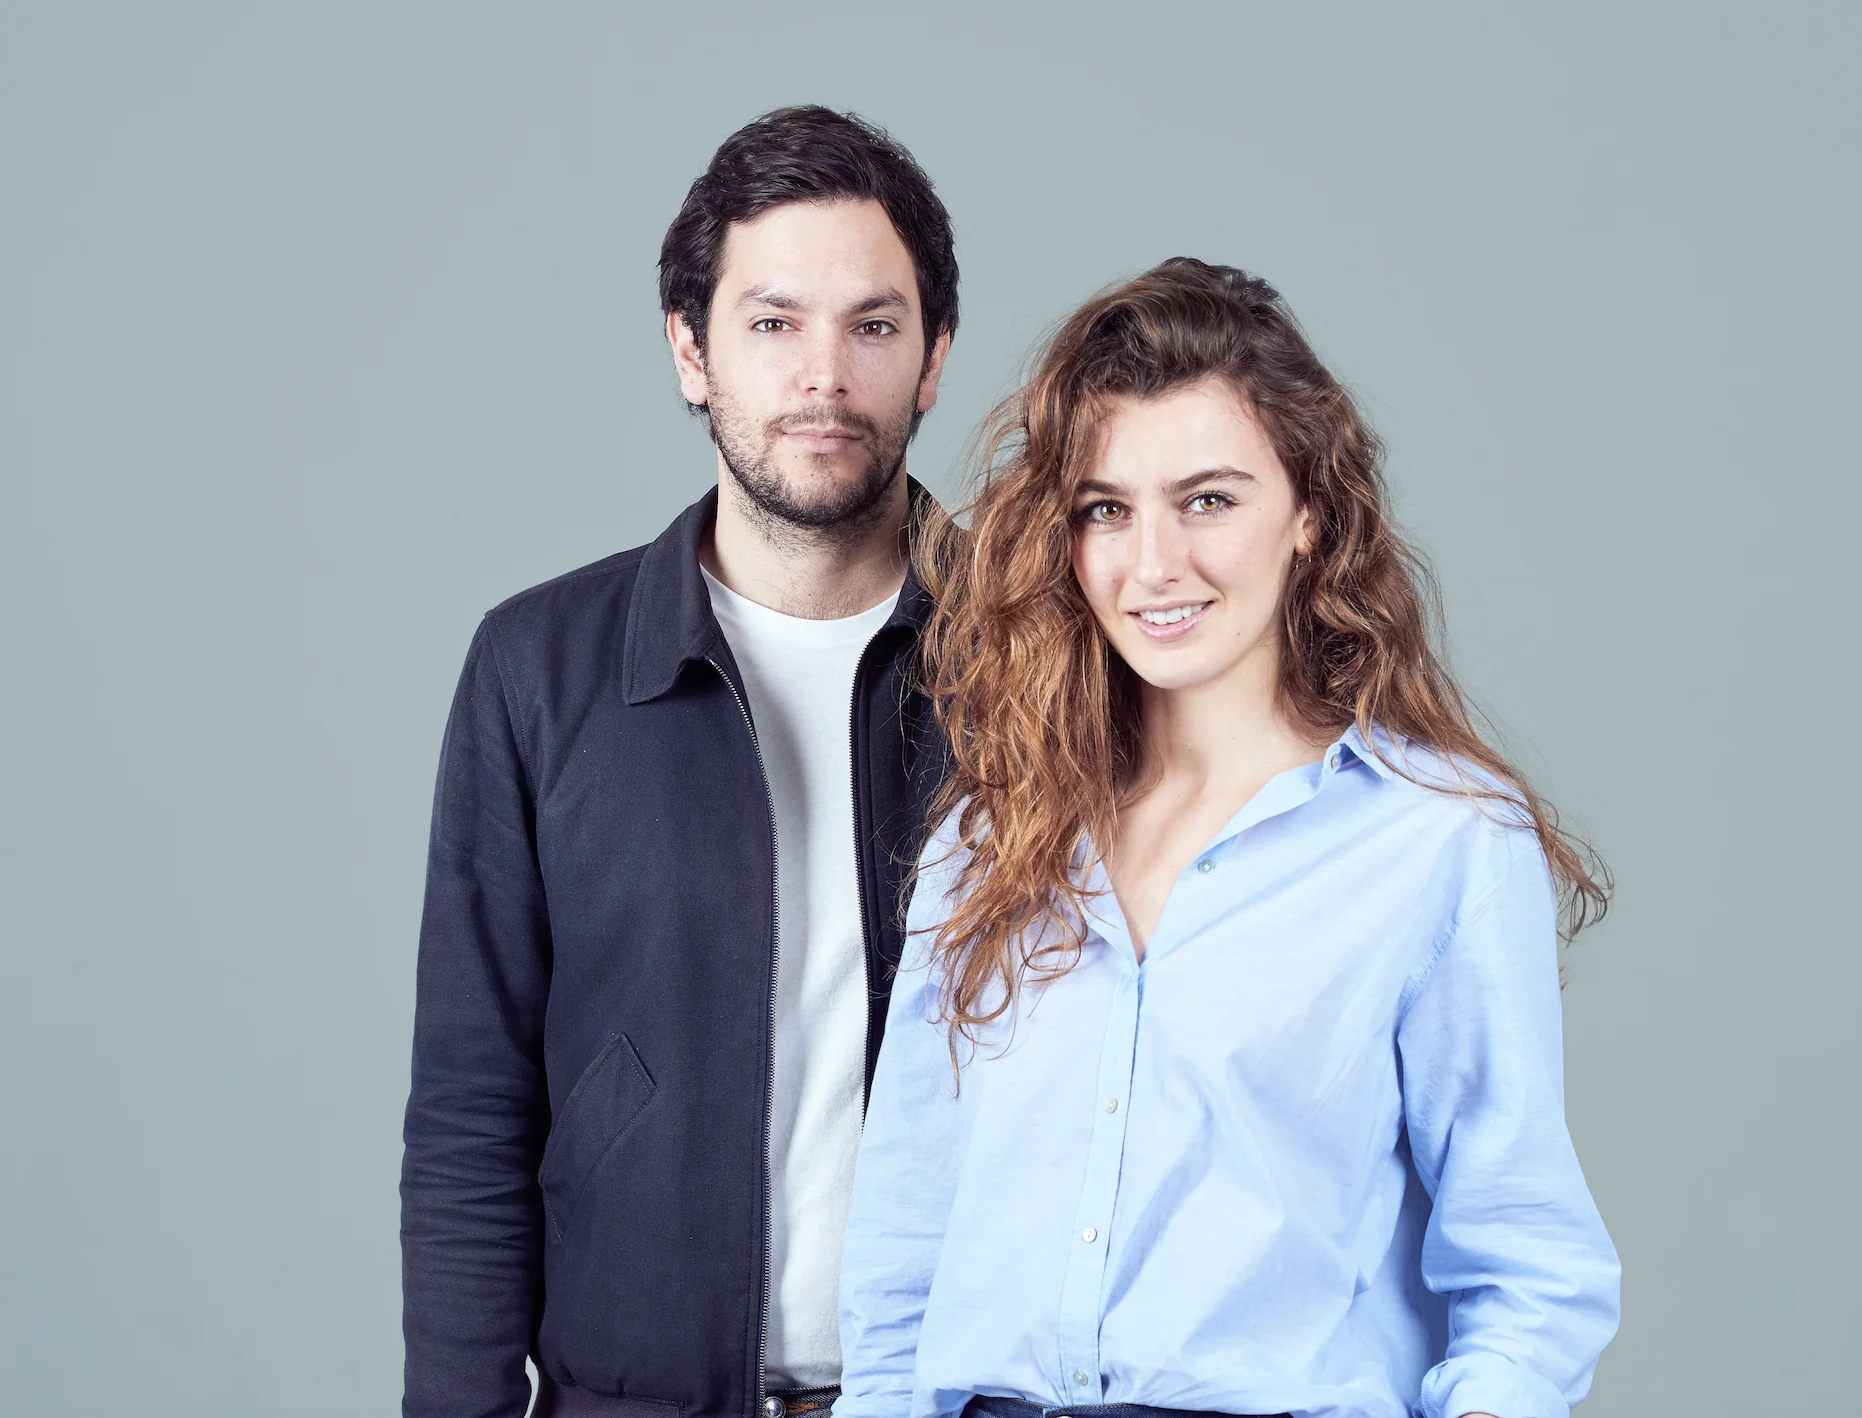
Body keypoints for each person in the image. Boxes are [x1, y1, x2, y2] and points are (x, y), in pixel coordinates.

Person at [836, 259, 1621, 1418]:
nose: (1154, 564)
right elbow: (902, 1257)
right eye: (1108, 509)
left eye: (1208, 500)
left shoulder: (1439, 839)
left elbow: (1527, 1271)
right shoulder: (984, 839)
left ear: (1309, 513)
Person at [401, 106, 957, 1418]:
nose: (824, 374)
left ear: (933, 359)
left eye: (873, 325)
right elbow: (474, 1110)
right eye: (773, 323)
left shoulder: (1044, 663)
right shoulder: (540, 667)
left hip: (962, 1395)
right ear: (691, 350)